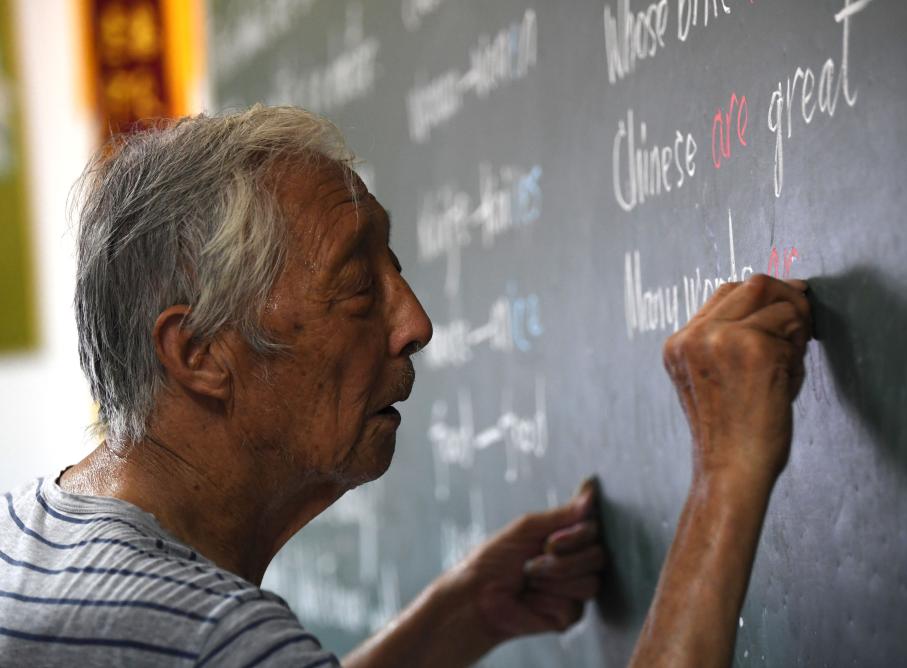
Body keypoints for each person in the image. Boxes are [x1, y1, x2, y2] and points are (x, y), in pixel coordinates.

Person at [0, 106, 811, 667]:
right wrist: (727, 476)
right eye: (359, 287)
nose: (415, 322)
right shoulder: (206, 638)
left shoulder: (27, 537)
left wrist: (458, 619)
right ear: (200, 352)